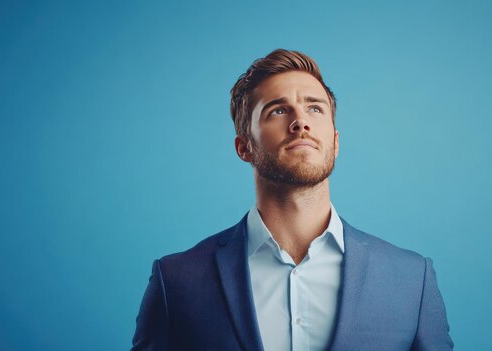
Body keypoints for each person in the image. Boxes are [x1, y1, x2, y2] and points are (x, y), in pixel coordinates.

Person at [131, 49, 453, 351]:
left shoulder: (412, 279)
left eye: (315, 107)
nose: (301, 122)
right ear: (244, 147)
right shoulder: (176, 281)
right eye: (278, 110)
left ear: (335, 142)